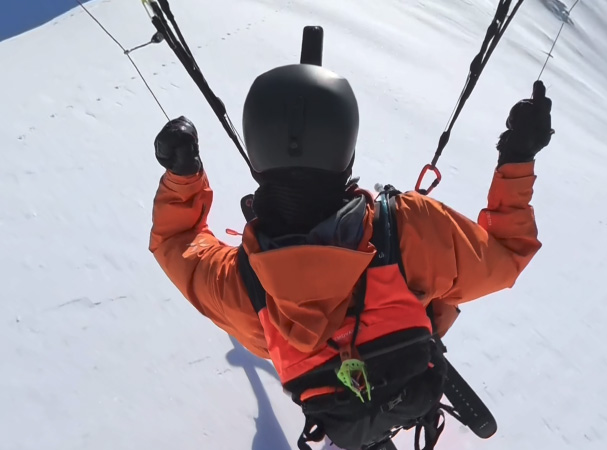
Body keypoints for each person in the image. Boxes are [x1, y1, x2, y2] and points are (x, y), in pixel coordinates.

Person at [149, 63, 552, 450]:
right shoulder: (411, 228)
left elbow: (177, 243)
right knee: (429, 288)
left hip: (334, 408)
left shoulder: (244, 287)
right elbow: (505, 256)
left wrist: (183, 176)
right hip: (412, 370)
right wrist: (517, 158)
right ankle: (408, 336)